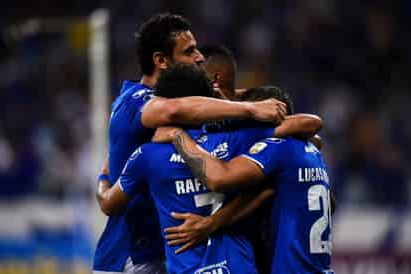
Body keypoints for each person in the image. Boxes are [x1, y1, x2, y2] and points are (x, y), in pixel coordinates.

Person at [93, 13, 288, 274]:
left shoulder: (191, 108)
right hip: (130, 257)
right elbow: (172, 110)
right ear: (161, 60)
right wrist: (251, 109)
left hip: (178, 251)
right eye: (189, 51)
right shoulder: (135, 102)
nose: (199, 58)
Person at [97, 64, 324, 273]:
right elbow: (308, 128)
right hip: (239, 266)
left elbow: (109, 203)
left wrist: (104, 174)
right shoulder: (235, 143)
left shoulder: (145, 156)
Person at [155, 86, 334, 274]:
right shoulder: (311, 151)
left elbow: (218, 178)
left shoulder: (277, 147)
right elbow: (261, 192)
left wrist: (178, 136)